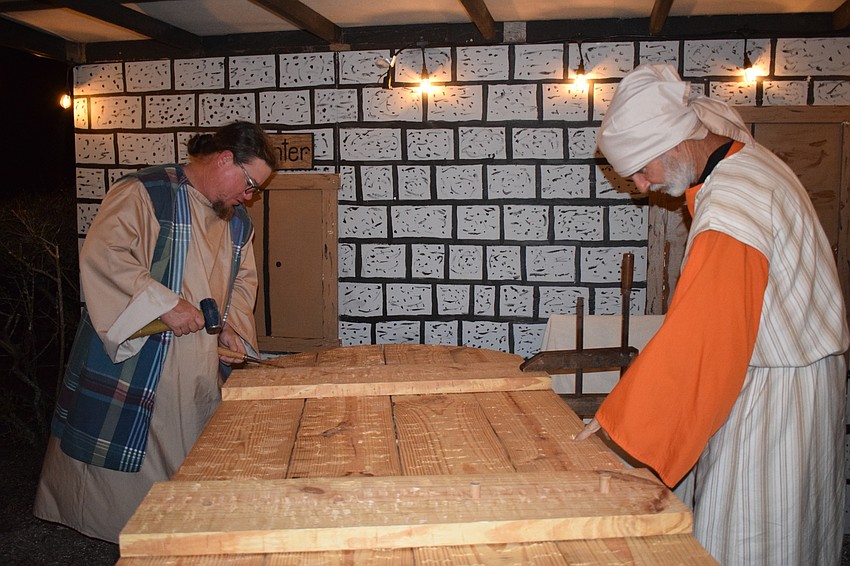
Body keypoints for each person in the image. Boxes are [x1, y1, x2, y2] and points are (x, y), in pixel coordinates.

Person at [576, 64, 849, 565]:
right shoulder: (749, 161)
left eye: (641, 168)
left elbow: (701, 345)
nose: (642, 186)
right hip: (800, 379)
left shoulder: (731, 207)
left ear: (673, 141)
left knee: (754, 540)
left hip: (777, 400)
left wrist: (616, 438)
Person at [33, 121, 276, 543]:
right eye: (250, 182)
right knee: (133, 477)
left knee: (193, 458)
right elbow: (105, 256)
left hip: (199, 364)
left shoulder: (236, 222)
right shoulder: (145, 193)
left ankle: (180, 538)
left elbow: (240, 282)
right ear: (223, 159)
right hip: (141, 354)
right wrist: (167, 305)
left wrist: (231, 330)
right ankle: (138, 542)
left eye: (256, 189)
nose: (250, 197)